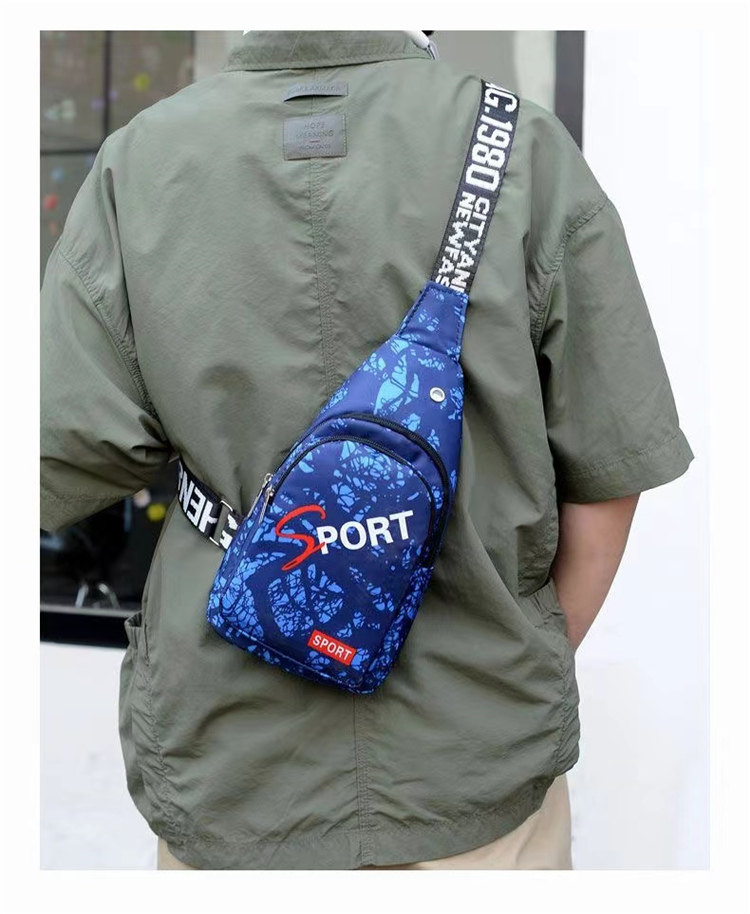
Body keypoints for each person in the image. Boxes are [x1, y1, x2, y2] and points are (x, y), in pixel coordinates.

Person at [39, 30, 694, 870]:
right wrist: (524, 656)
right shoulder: (524, 145)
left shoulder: (138, 164)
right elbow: (610, 468)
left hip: (232, 761)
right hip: (473, 758)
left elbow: (63, 457)